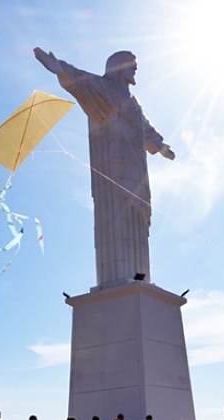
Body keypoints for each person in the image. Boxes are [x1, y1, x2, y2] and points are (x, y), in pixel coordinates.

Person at [34, 47, 175, 287]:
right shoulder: (104, 88)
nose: (135, 70)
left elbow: (146, 127)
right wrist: (60, 68)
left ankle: (140, 278)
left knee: (137, 219)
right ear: (119, 67)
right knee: (117, 217)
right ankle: (118, 280)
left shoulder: (133, 101)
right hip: (113, 169)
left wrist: (160, 146)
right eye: (131, 65)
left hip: (137, 170)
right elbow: (81, 81)